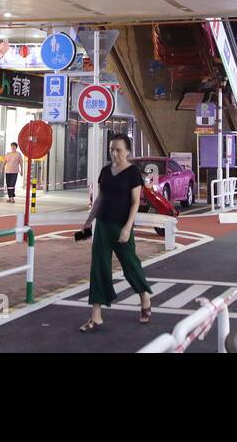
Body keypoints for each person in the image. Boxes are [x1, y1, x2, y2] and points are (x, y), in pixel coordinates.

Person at [78, 133, 153, 332]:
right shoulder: (105, 171)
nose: (114, 153)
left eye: (118, 150)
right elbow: (100, 199)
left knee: (130, 265)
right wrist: (88, 223)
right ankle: (96, 316)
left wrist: (128, 228)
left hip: (122, 226)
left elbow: (136, 202)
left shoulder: (133, 173)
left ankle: (144, 298)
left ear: (128, 151)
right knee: (99, 268)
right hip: (102, 225)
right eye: (112, 149)